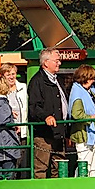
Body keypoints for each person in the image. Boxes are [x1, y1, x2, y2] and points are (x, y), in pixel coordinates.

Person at [28, 48, 68, 179]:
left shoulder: (58, 80)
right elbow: (34, 106)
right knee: (41, 167)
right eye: (56, 61)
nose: (59, 63)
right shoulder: (37, 81)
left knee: (60, 167)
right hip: (44, 134)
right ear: (46, 63)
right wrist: (46, 116)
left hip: (59, 131)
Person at [67, 64, 95, 177]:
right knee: (84, 166)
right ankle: (79, 186)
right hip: (84, 135)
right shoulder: (77, 93)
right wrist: (92, 118)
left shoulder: (91, 91)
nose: (93, 80)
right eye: (92, 78)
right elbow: (76, 114)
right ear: (85, 78)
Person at [0, 63, 29, 175]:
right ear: (3, 76)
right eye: (8, 75)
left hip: (21, 131)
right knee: (9, 161)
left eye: (13, 74)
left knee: (21, 161)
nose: (11, 77)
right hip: (7, 132)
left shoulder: (23, 88)